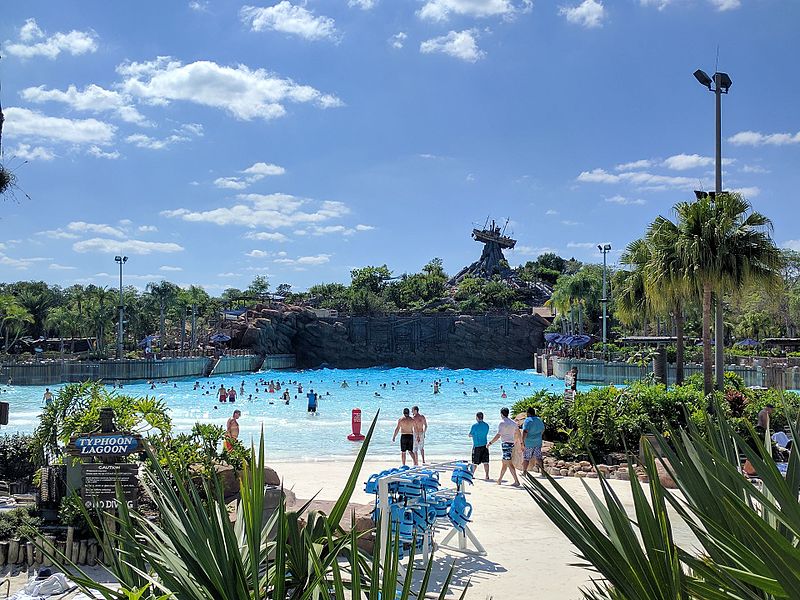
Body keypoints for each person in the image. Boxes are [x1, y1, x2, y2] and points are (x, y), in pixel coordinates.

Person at [487, 407, 520, 486]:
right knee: (504, 462)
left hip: (506, 444)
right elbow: (517, 433)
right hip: (511, 444)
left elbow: (498, 435)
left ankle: (516, 481)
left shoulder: (502, 423)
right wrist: (518, 442)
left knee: (508, 463)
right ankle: (499, 480)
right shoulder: (513, 423)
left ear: (501, 414)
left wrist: (490, 443)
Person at [521, 407, 545, 476]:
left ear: (528, 413)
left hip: (529, 443)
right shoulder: (539, 420)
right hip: (538, 442)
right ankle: (543, 471)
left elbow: (525, 431)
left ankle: (524, 472)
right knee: (538, 457)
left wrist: (522, 442)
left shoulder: (527, 420)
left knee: (526, 458)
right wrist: (538, 436)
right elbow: (543, 429)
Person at [469, 412, 491, 480]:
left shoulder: (474, 426)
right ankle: (487, 475)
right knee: (486, 462)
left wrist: (474, 435)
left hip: (477, 446)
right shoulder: (487, 425)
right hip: (485, 445)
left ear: (477, 417)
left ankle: (472, 474)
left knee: (474, 462)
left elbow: (470, 434)